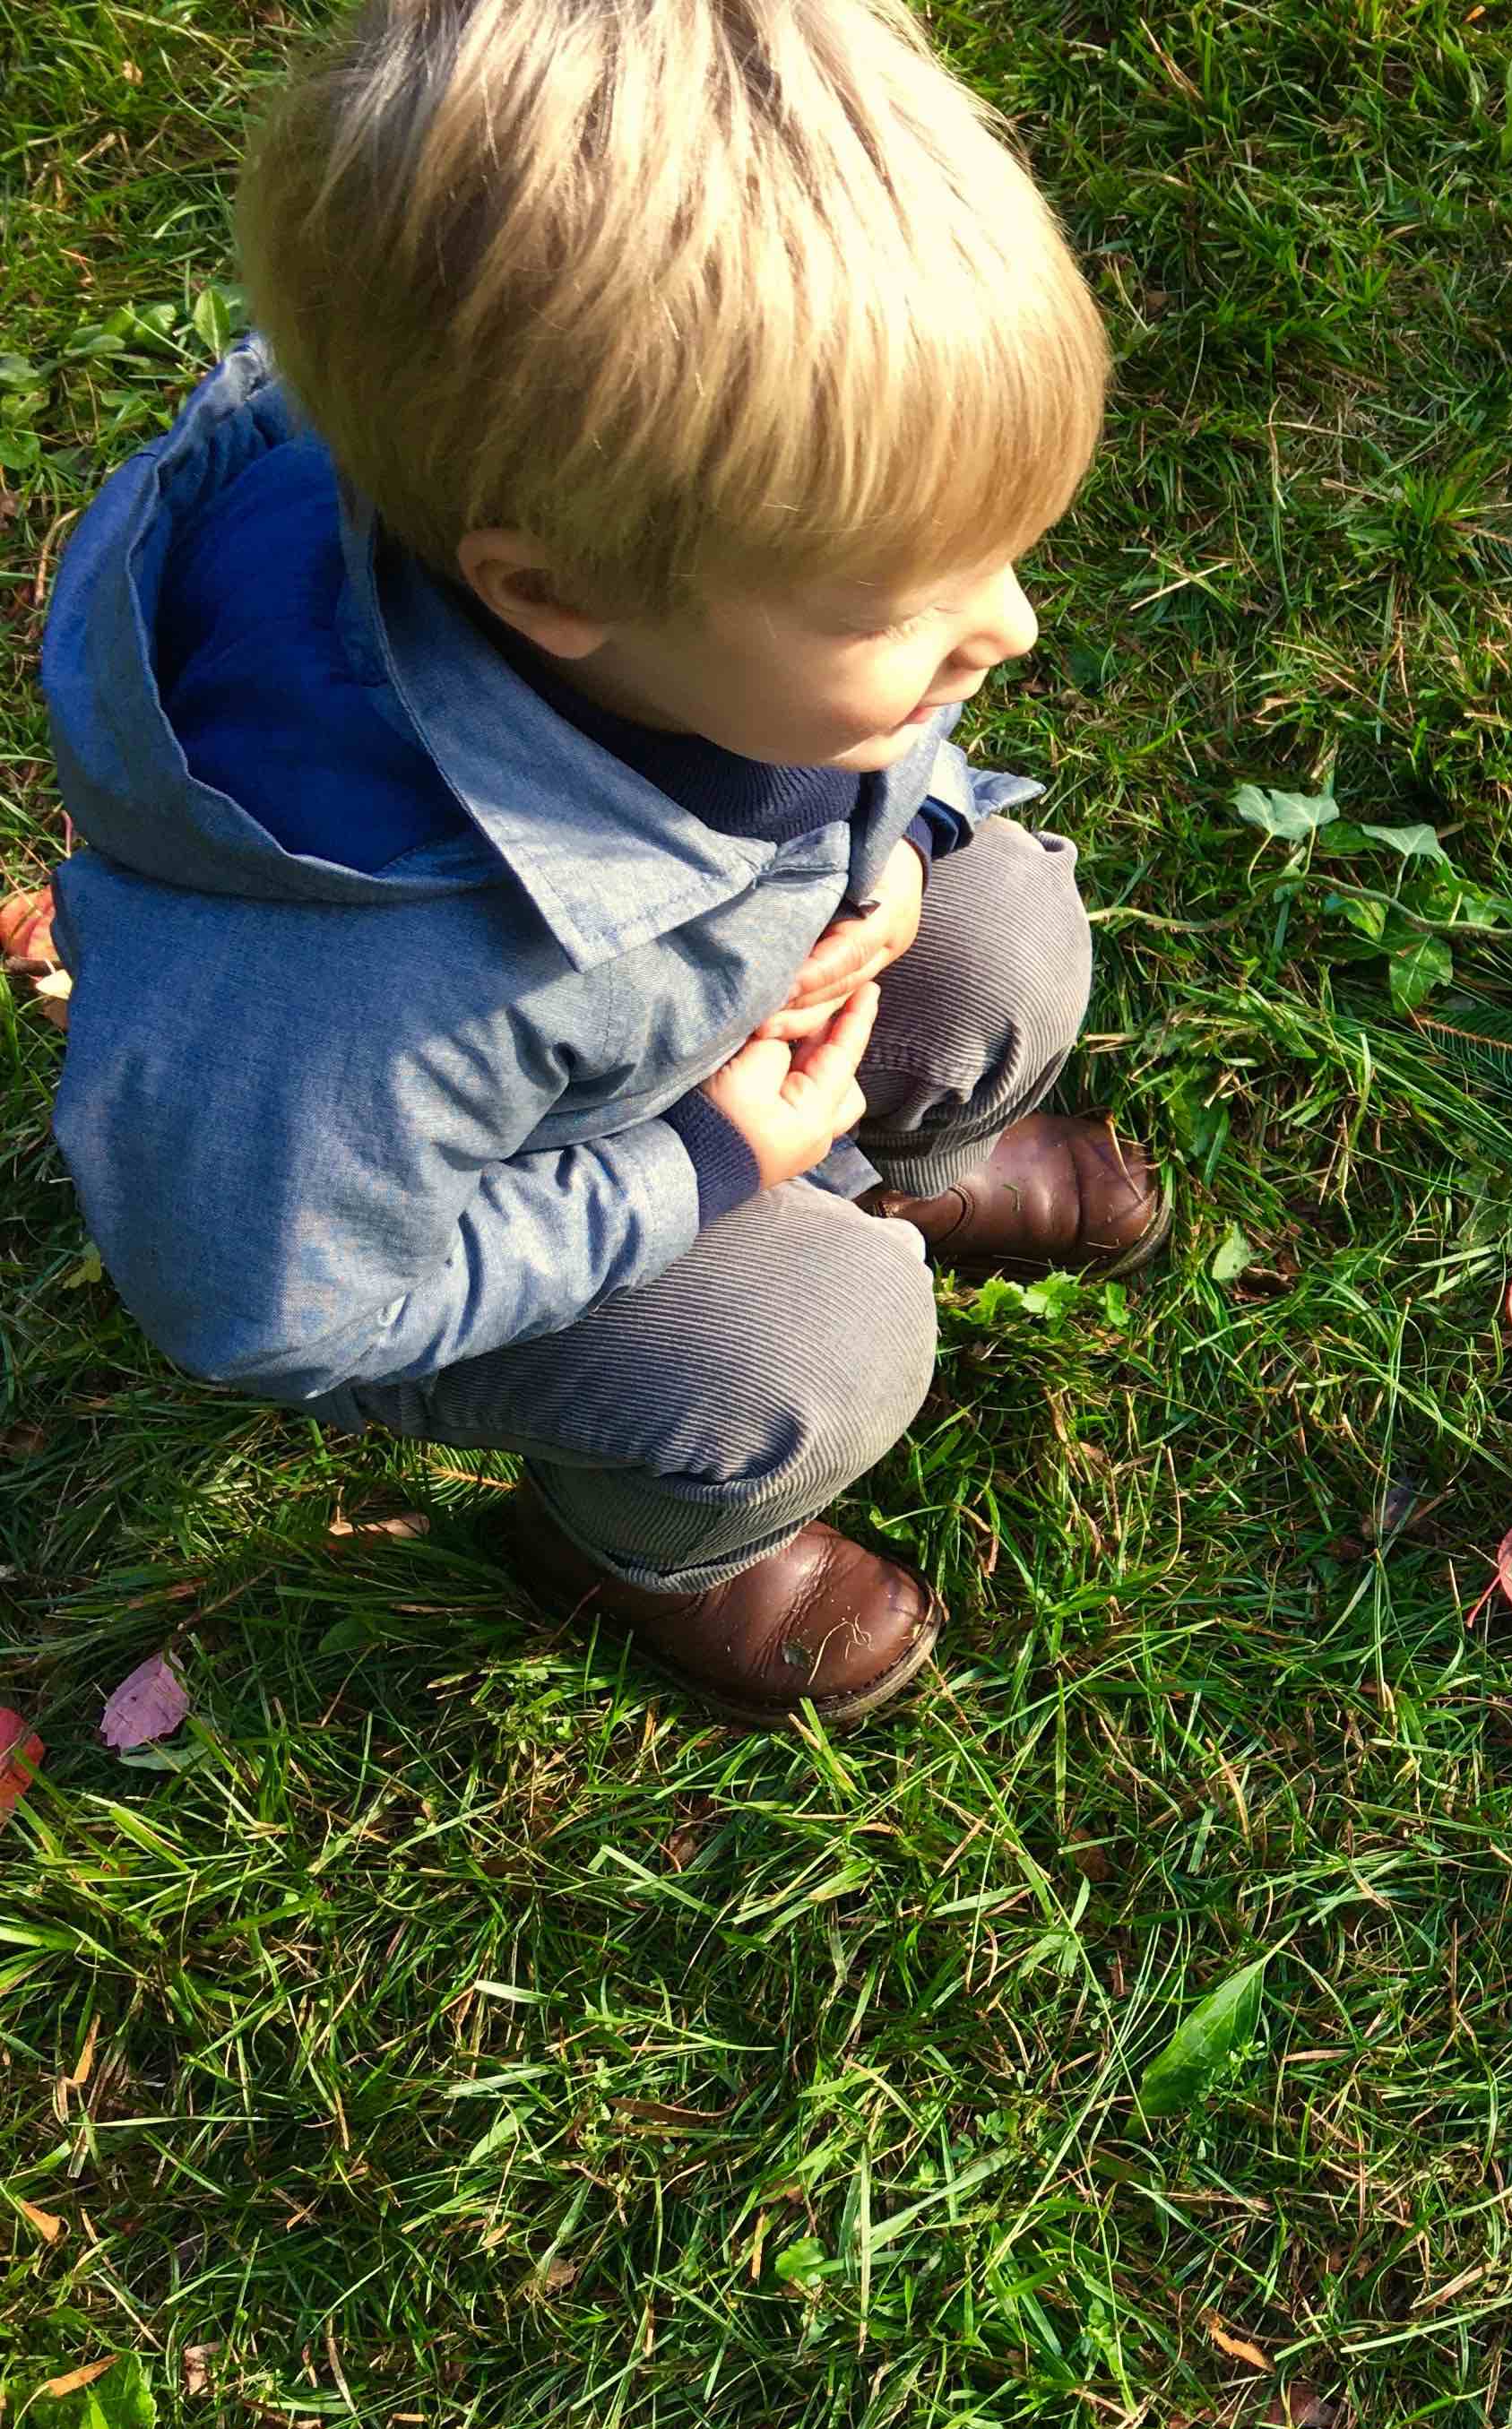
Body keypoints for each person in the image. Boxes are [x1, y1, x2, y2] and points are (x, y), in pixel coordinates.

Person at [38, 0, 1161, 1727]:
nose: (1007, 629)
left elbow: (888, 709)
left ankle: (907, 1160)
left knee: (1007, 932)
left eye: (1000, 551)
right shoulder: (349, 979)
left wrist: (907, 831)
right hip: (521, 1182)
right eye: (900, 605)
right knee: (814, 1348)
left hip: (715, 1007)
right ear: (551, 596)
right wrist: (696, 1170)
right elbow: (276, 1307)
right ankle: (653, 1545)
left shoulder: (662, 567)